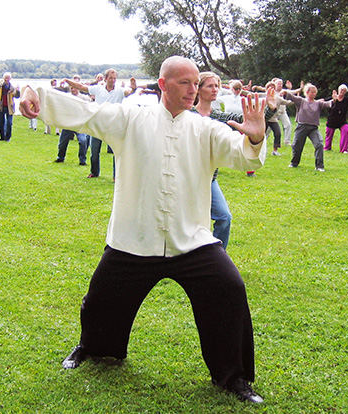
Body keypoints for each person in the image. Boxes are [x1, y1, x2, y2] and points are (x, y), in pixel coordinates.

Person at [19, 56, 267, 404]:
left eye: (196, 83)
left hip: (190, 241)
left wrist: (255, 138)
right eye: (185, 83)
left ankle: (233, 377)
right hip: (134, 238)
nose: (193, 90)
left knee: (229, 287)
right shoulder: (130, 118)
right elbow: (87, 112)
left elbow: (243, 157)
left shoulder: (205, 128)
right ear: (163, 84)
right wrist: (35, 92)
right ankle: (95, 348)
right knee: (101, 301)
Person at [193, 72, 277, 249]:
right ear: (198, 89)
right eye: (210, 86)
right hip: (185, 178)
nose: (215, 89)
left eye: (217, 85)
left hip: (209, 179)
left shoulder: (220, 116)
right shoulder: (188, 115)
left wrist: (270, 108)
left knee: (224, 217)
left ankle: (217, 256)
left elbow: (247, 122)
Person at [62, 68, 131, 178]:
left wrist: (132, 88)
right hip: (98, 124)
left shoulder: (119, 91)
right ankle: (94, 172)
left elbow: (127, 92)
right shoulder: (98, 89)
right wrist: (67, 80)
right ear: (106, 78)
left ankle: (115, 176)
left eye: (114, 78)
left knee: (116, 151)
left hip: (113, 125)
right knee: (94, 151)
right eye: (111, 78)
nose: (113, 80)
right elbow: (81, 87)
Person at [284, 83, 334, 171]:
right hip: (301, 127)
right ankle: (294, 163)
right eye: (312, 92)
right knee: (297, 146)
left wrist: (334, 100)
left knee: (319, 144)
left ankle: (319, 166)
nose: (314, 94)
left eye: (315, 92)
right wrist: (284, 92)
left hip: (313, 128)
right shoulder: (301, 101)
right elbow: (291, 97)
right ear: (307, 92)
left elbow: (327, 104)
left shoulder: (318, 103)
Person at [54, 86, 90, 166]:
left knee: (83, 141)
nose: (73, 90)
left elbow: (90, 105)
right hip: (68, 123)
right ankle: (60, 157)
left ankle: (82, 160)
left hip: (79, 124)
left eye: (74, 88)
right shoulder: (67, 96)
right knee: (62, 142)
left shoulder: (83, 98)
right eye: (71, 88)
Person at [0, 72, 20, 141]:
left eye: (8, 78)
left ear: (10, 79)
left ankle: (8, 137)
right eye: (6, 78)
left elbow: (17, 96)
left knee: (9, 123)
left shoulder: (12, 88)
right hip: (1, 106)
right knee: (1, 123)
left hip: (9, 107)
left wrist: (18, 91)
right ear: (3, 78)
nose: (7, 79)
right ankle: (2, 137)